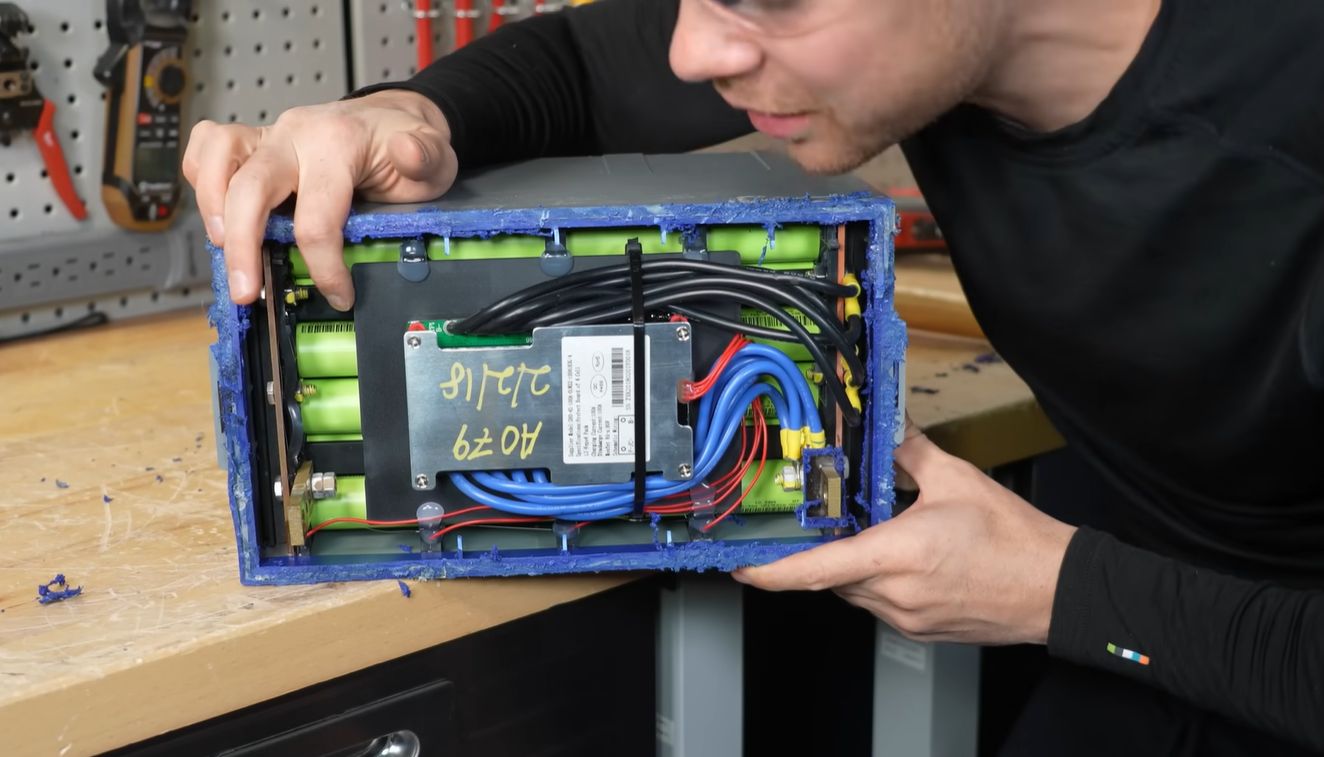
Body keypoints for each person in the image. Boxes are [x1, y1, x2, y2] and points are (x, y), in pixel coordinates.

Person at [183, 0, 1324, 753]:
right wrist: (398, 115)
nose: (693, 52)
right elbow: (588, 62)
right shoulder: (920, 45)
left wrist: (1055, 592)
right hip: (1150, 569)